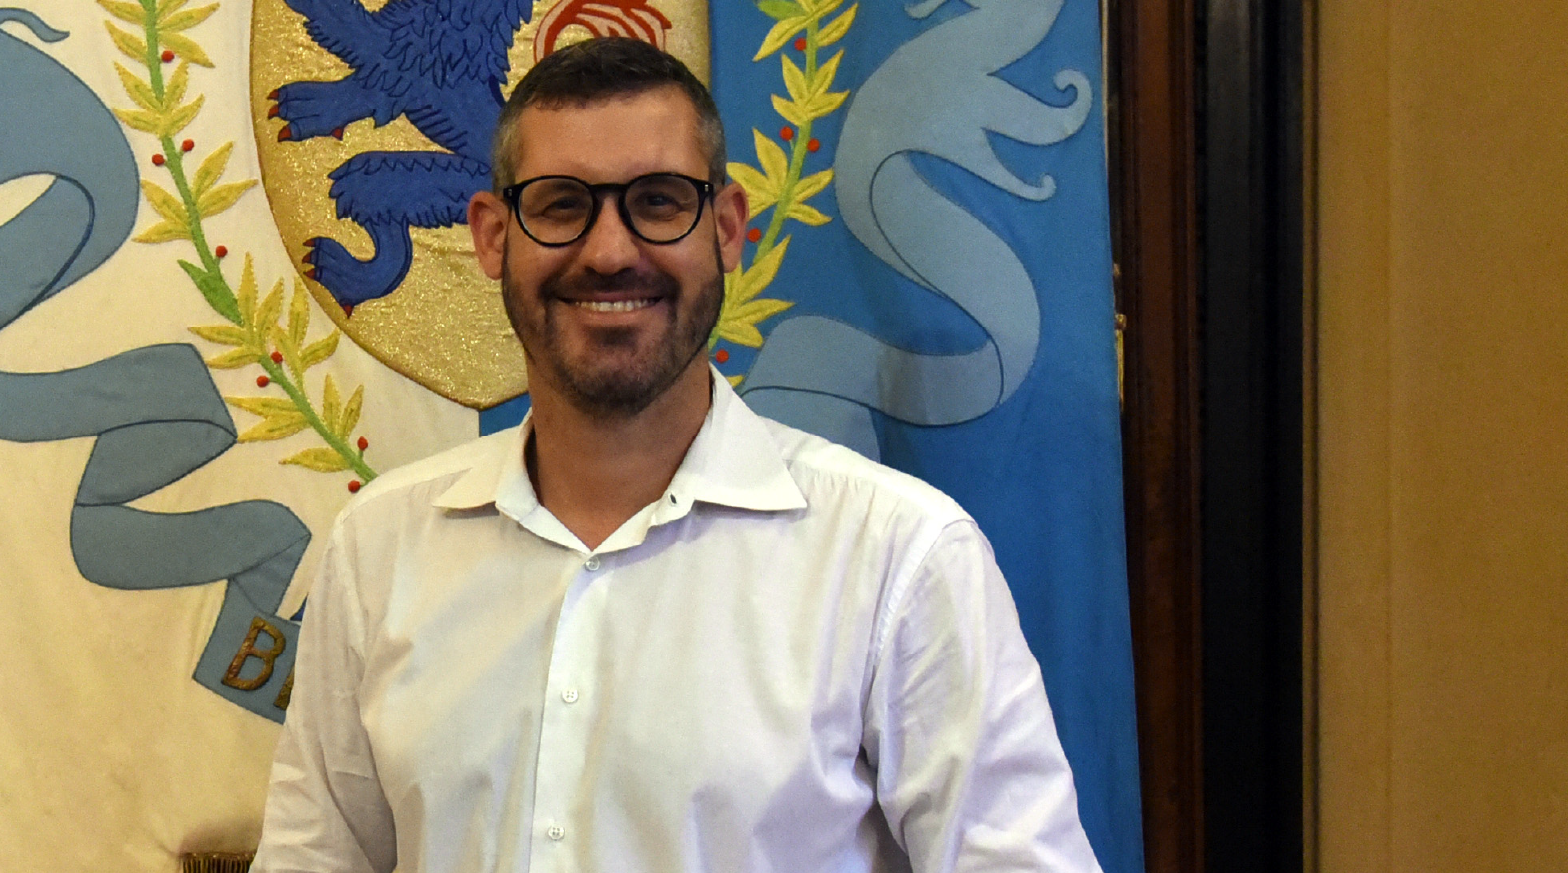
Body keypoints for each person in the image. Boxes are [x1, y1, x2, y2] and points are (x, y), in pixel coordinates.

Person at [251, 37, 1102, 873]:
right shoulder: (378, 548)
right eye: (560, 204)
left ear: (726, 229)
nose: (610, 251)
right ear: (492, 237)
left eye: (658, 202)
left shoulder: (897, 557)